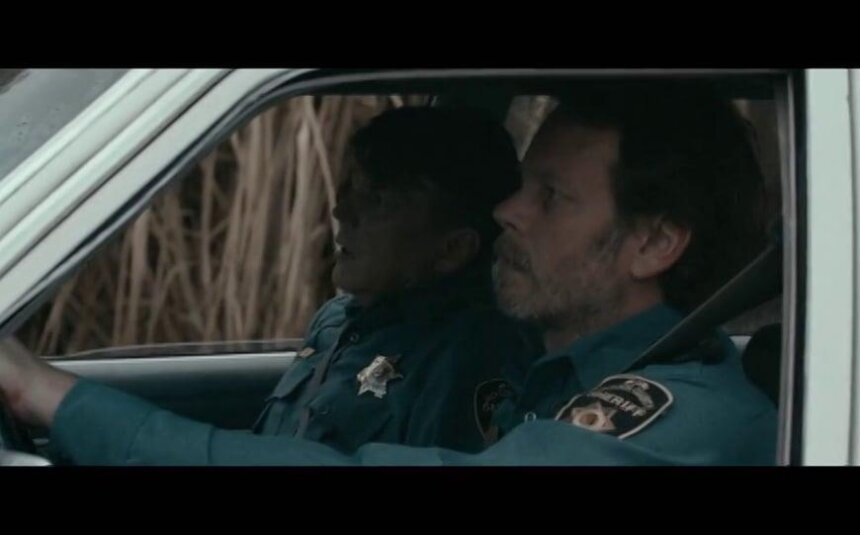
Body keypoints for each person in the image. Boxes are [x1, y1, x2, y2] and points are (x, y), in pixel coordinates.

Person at [0, 85, 777, 465]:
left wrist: (57, 397)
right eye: (521, 183)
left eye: (551, 196)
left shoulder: (674, 423)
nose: (505, 210)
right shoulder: (558, 375)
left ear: (653, 242)